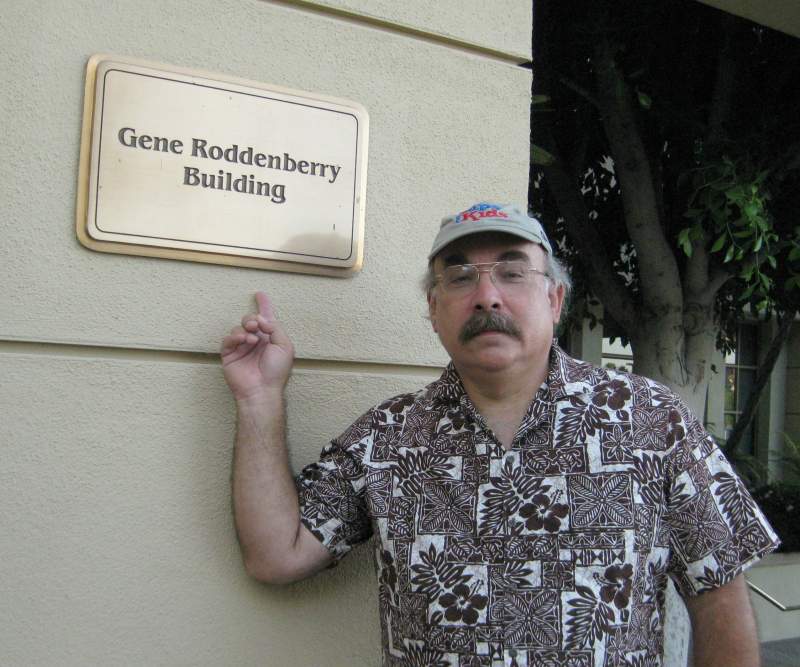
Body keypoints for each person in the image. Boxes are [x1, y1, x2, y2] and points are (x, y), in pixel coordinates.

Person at [222, 202, 778, 667]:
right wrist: (259, 398)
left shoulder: (649, 419)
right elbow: (278, 555)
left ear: (555, 300)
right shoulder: (387, 439)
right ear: (434, 310)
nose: (487, 296)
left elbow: (719, 588)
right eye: (460, 276)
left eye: (512, 272)